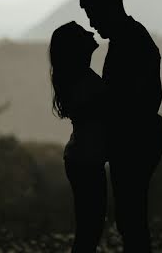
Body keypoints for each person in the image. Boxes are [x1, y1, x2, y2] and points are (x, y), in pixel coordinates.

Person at [80, 0, 162, 253]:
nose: (93, 24)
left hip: (134, 140)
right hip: (136, 138)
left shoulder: (131, 42)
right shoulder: (130, 38)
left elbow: (134, 99)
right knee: (131, 217)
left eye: (94, 16)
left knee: (131, 218)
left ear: (109, 8)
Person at [49, 21, 108, 253]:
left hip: (83, 159)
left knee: (89, 230)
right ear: (77, 46)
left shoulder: (79, 78)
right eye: (84, 32)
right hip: (86, 161)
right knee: (89, 231)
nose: (92, 31)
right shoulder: (83, 81)